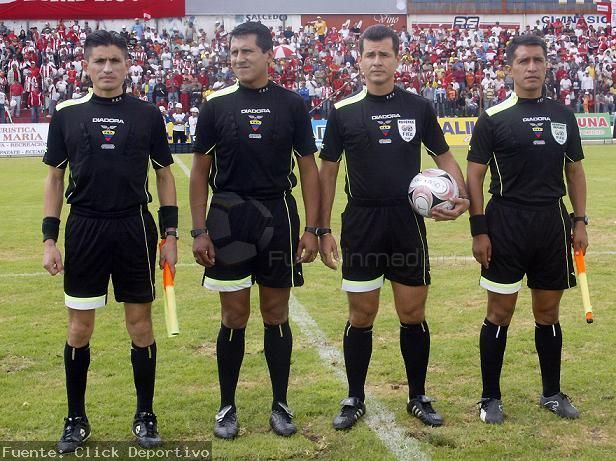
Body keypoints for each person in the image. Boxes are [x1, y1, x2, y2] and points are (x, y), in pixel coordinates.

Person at [318, 25, 469, 430]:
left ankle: (418, 395)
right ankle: (354, 397)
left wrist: (462, 196)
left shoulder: (418, 107)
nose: (377, 61)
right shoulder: (343, 111)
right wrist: (322, 227)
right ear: (359, 60)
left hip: (407, 223)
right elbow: (327, 172)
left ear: (397, 60)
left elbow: (443, 156)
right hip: (362, 223)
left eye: (384, 54)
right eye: (370, 54)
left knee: (412, 311)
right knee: (361, 313)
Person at [42, 30, 177, 453]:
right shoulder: (67, 113)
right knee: (79, 328)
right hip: (85, 226)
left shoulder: (147, 114)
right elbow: (55, 177)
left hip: (134, 226)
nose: (107, 68)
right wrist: (49, 239)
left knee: (140, 325)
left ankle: (145, 415)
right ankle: (75, 419)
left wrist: (171, 234)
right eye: (99, 61)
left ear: (127, 65)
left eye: (115, 60)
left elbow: (164, 174)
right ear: (86, 66)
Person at [190, 21, 320, 439]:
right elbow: (199, 171)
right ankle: (227, 406)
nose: (239, 59)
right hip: (228, 216)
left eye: (247, 51)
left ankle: (280, 404)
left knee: (276, 312)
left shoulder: (292, 104)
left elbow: (308, 168)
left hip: (278, 214)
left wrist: (313, 228)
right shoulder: (215, 105)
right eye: (233, 52)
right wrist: (198, 230)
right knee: (234, 314)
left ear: (267, 54)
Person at [466, 35, 587, 425]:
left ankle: (551, 394)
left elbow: (574, 171)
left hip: (552, 222)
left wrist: (580, 220)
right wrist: (479, 230)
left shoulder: (563, 115)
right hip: (506, 223)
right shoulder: (493, 117)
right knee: (499, 312)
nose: (531, 67)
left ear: (547, 65)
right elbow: (474, 175)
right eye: (523, 61)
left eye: (538, 60)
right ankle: (490, 398)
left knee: (548, 312)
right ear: (510, 68)